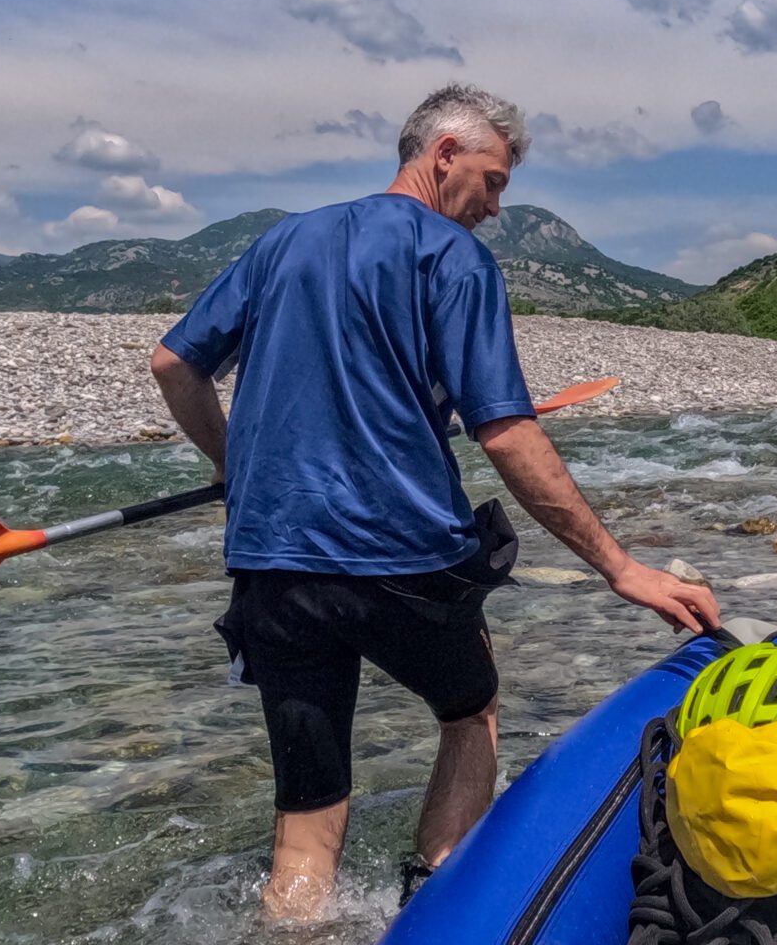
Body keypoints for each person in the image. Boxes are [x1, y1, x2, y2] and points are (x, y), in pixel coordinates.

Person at [150, 83, 721, 920]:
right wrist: (620, 567)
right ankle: (438, 907)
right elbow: (507, 436)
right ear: (443, 154)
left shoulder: (280, 242)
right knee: (470, 710)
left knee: (305, 821)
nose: (495, 207)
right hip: (403, 560)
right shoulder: (452, 259)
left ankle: (297, 928)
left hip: (275, 568)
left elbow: (175, 365)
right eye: (491, 181)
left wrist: (239, 467)